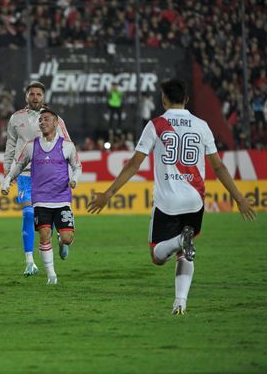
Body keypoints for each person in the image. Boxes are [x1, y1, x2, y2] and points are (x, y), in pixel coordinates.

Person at [87, 78, 256, 314]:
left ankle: (179, 241)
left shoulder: (156, 125)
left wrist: (108, 193)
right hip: (195, 201)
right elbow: (218, 167)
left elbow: (134, 165)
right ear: (186, 99)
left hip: (168, 203)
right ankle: (180, 302)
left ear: (163, 99)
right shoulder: (201, 125)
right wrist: (239, 198)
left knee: (157, 256)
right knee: (186, 254)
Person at [1, 108, 82, 284]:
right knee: (44, 235)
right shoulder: (31, 146)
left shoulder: (66, 146)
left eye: (47, 119)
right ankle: (51, 275)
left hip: (61, 199)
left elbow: (77, 166)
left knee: (68, 237)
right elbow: (19, 166)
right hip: (40, 200)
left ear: (55, 123)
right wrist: (7, 181)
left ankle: (61, 242)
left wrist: (74, 180)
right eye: (41, 120)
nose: (43, 122)